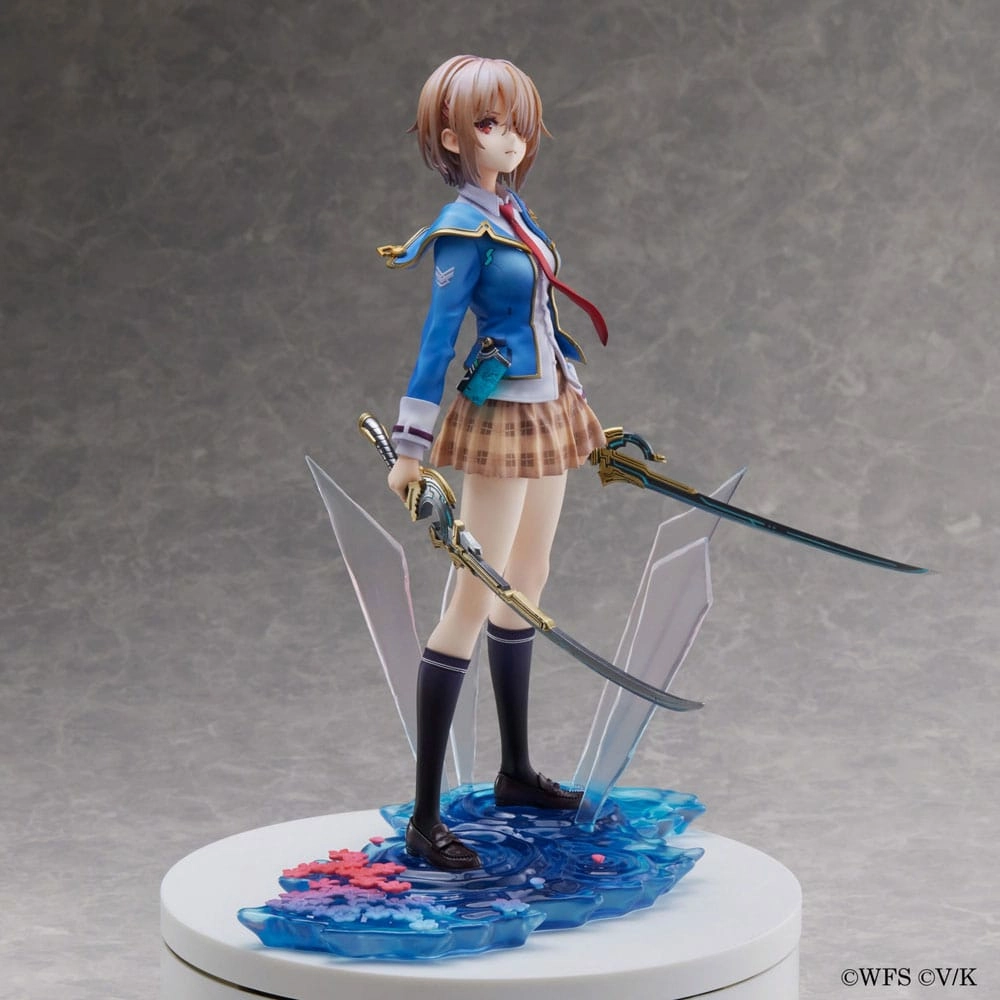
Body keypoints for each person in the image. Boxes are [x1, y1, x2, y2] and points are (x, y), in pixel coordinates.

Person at [380, 55, 609, 870]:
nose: (510, 140)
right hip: (501, 419)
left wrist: (577, 399)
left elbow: (539, 317)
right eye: (489, 125)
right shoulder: (461, 232)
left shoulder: (517, 215)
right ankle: (425, 817)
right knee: (475, 595)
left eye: (517, 125)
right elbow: (436, 342)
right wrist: (411, 449)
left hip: (549, 409)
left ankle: (515, 771)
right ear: (452, 137)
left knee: (531, 578)